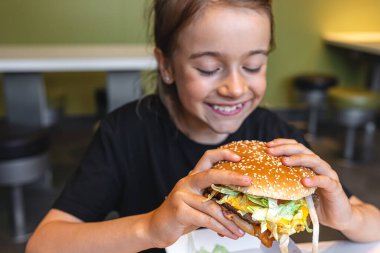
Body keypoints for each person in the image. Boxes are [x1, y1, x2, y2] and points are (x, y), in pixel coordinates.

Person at [26, 1, 380, 253]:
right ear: (166, 66)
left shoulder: (276, 138)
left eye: (254, 66)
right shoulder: (125, 132)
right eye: (210, 68)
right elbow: (43, 243)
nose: (236, 88)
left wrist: (347, 216)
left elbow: (373, 224)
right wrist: (150, 226)